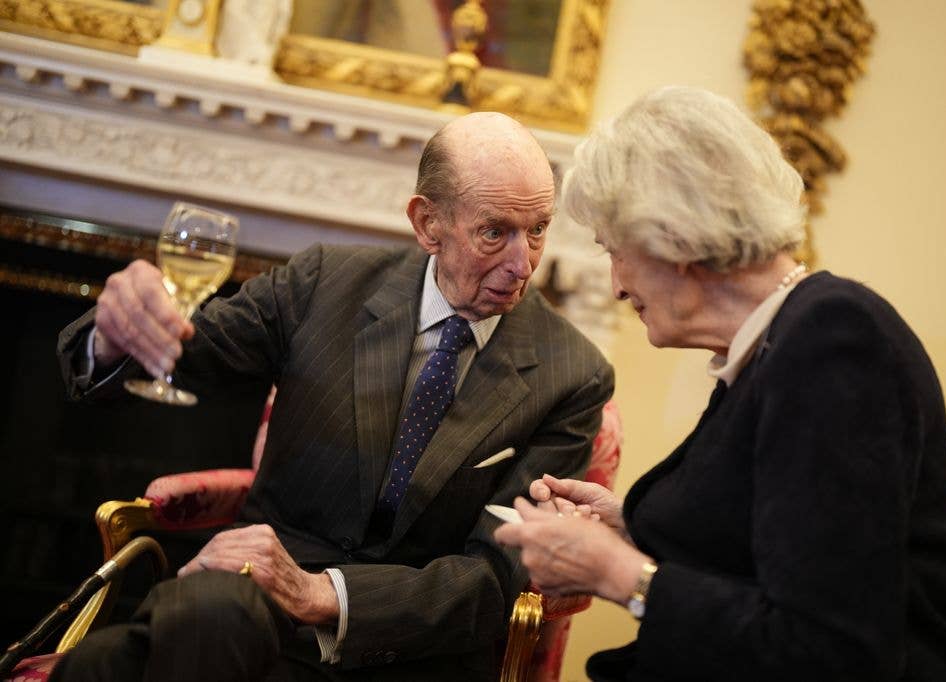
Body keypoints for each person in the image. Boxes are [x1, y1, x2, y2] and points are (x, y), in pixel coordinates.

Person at [52, 111, 614, 681]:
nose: (523, 265)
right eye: (495, 232)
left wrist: (325, 595)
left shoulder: (571, 375)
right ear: (427, 224)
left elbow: (494, 578)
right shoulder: (323, 283)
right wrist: (117, 332)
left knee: (106, 666)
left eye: (538, 229)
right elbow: (184, 358)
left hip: (404, 653)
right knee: (190, 624)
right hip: (249, 611)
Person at [494, 86, 946, 682]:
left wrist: (616, 574)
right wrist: (631, 522)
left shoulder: (836, 342)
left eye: (614, 250)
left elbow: (834, 650)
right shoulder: (776, 341)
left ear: (673, 238)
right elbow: (773, 540)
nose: (618, 286)